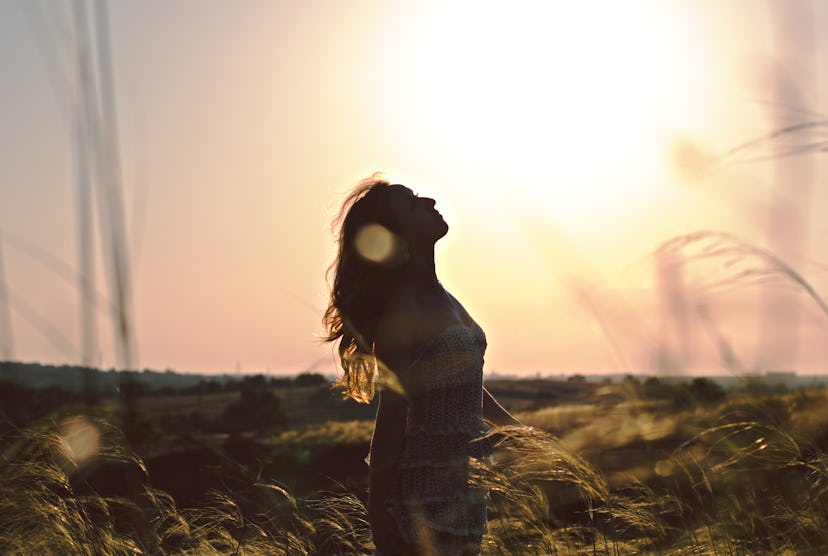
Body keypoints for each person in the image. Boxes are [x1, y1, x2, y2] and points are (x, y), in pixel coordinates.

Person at [324, 175, 520, 555]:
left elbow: (460, 383)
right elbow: (393, 412)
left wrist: (517, 432)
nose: (429, 200)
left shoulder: (443, 296)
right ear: (398, 236)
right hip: (424, 495)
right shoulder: (404, 308)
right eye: (413, 203)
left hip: (464, 486)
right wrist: (378, 514)